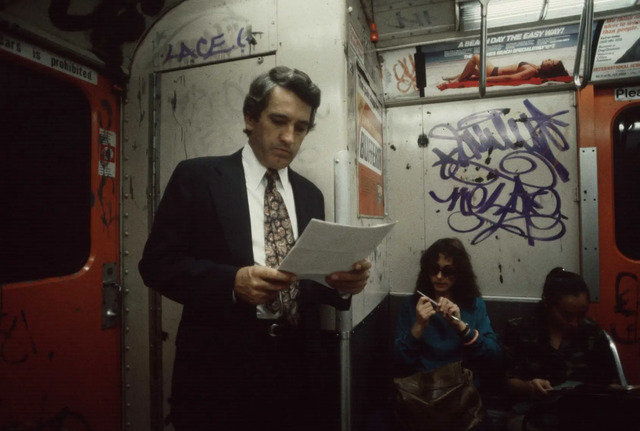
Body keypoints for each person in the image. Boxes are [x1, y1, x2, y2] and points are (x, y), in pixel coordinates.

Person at [138, 66, 371, 431]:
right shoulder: (198, 178)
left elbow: (306, 282)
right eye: (279, 121)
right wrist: (231, 282)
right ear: (250, 118)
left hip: (298, 371)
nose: (289, 137)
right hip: (219, 373)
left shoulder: (311, 195)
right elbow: (155, 265)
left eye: (301, 127)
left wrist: (340, 285)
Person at [502, 267, 619, 431]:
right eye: (567, 315)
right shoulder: (520, 329)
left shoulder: (591, 331)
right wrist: (529, 386)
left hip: (580, 411)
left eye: (582, 315)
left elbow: (608, 382)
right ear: (547, 304)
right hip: (531, 409)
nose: (575, 323)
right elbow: (507, 380)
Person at [394, 238, 503, 407]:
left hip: (461, 394)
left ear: (460, 273)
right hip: (422, 393)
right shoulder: (412, 306)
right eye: (434, 270)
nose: (439, 277)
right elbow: (399, 364)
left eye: (448, 271)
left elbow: (494, 357)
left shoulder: (473, 306)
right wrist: (418, 328)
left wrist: (463, 329)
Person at [438, 54, 569, 90]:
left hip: (493, 73)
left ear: (549, 68)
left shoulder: (531, 70)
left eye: (550, 61)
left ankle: (456, 81)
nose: (548, 59)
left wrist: (486, 79)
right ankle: (454, 79)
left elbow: (511, 79)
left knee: (475, 58)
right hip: (494, 70)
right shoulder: (536, 68)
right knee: (471, 70)